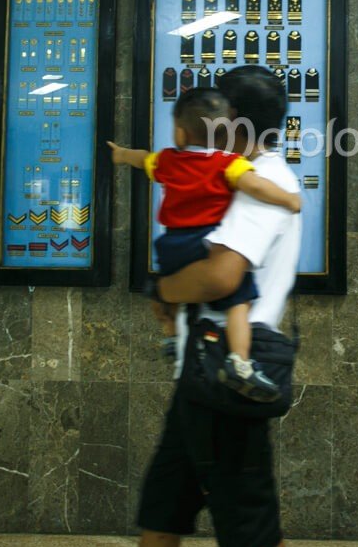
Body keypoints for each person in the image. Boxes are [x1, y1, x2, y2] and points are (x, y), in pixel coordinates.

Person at [133, 65, 300, 547]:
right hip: (200, 373)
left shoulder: (264, 181)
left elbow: (221, 277)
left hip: (226, 379)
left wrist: (161, 287)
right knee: (161, 515)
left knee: (253, 537)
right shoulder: (232, 177)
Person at [108, 86, 300, 401]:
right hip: (202, 241)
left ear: (181, 134)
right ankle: (240, 361)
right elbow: (256, 187)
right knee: (239, 300)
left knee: (169, 287)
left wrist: (120, 154)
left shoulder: (168, 160)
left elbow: (141, 159)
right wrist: (290, 200)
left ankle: (171, 335)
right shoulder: (228, 165)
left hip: (171, 243)